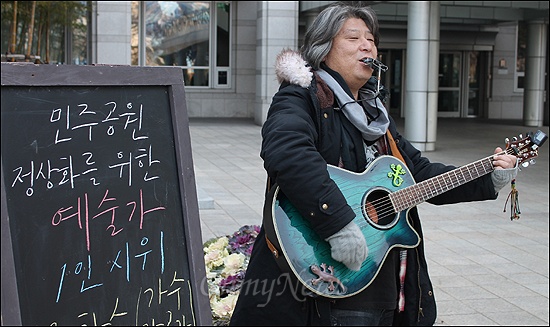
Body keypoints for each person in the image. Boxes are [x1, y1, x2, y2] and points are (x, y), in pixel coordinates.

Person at [229, 2, 518, 326]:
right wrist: (337, 224)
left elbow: (418, 174)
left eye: (371, 39)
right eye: (353, 38)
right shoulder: (301, 97)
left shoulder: (374, 114)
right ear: (324, 49)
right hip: (321, 280)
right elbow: (288, 152)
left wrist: (490, 175)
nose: (367, 45)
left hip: (381, 279)